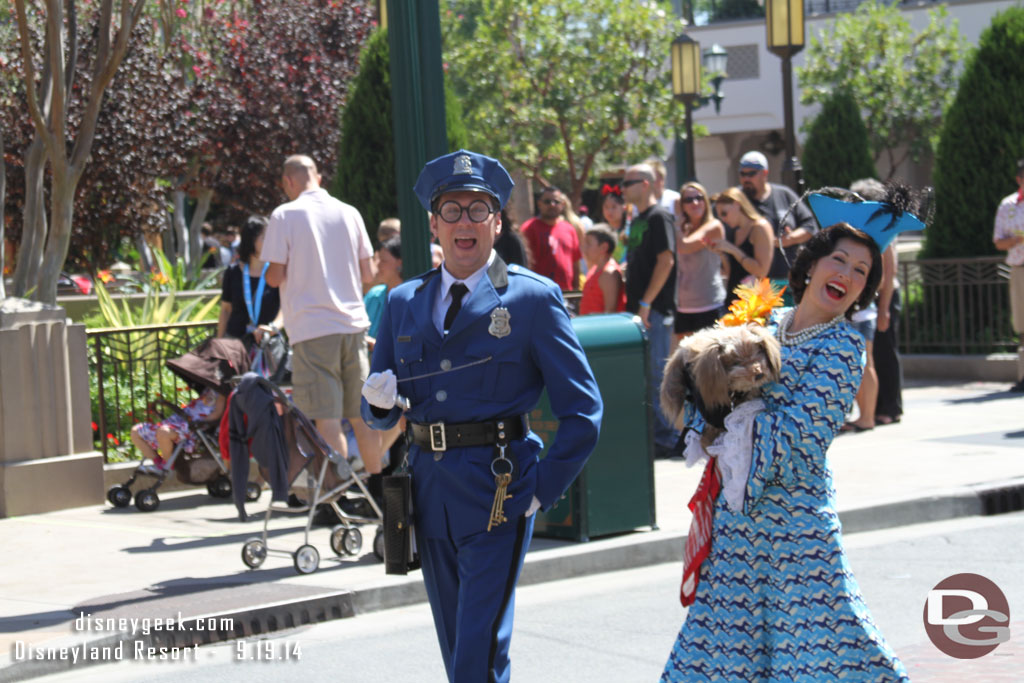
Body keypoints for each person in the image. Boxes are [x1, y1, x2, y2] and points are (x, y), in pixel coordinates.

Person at [661, 189, 923, 682]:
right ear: (811, 265)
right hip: (736, 532)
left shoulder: (843, 345)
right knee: (716, 657)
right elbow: (703, 413)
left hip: (797, 536)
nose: (846, 274)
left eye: (861, 271)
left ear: (863, 290)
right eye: (838, 259)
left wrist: (729, 408)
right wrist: (704, 397)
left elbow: (798, 435)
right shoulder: (761, 319)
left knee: (827, 655)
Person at [360, 149, 602, 683]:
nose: (463, 223)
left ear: (496, 222)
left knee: (477, 646)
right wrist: (376, 407)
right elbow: (378, 413)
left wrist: (541, 489)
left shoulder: (532, 299)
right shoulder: (403, 301)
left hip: (499, 488)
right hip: (428, 488)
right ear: (433, 223)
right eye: (451, 210)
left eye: (477, 210)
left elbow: (583, 410)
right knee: (457, 645)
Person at [260, 154, 385, 490]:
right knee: (361, 414)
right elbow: (369, 273)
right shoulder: (350, 212)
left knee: (327, 416)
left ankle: (338, 491)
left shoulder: (284, 215)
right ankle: (378, 489)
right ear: (318, 175)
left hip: (312, 329)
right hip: (354, 325)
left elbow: (273, 277)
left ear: (287, 181)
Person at [622, 162, 677, 457]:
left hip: (655, 309)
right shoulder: (637, 217)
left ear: (644, 184)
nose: (622, 189)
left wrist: (646, 303)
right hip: (640, 308)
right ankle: (657, 434)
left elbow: (666, 261)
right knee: (647, 374)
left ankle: (668, 438)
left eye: (626, 183)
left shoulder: (659, 217)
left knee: (658, 373)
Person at [737, 150, 817, 300]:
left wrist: (791, 239)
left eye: (751, 174)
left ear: (765, 173)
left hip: (787, 282)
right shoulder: (736, 200)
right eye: (742, 174)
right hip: (752, 285)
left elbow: (810, 226)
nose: (746, 179)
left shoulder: (784, 194)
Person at [672, 181, 726, 345]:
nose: (695, 203)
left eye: (699, 198)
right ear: (683, 205)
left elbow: (685, 246)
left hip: (709, 303)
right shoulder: (683, 229)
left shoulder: (713, 226)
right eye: (688, 200)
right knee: (687, 358)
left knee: (711, 356)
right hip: (684, 306)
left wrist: (676, 222)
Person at [217, 215, 283, 344]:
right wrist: (219, 341)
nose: (271, 242)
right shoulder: (233, 272)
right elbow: (225, 309)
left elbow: (286, 308)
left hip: (268, 345)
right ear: (251, 240)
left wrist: (273, 327)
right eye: (265, 237)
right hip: (235, 345)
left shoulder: (277, 271)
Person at [130, 388, 226, 472]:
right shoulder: (208, 388)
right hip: (176, 422)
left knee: (164, 432)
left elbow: (217, 414)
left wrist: (198, 423)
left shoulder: (221, 393)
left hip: (190, 429)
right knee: (135, 431)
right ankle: (158, 462)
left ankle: (167, 465)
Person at [709, 187, 773, 309]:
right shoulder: (734, 231)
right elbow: (731, 273)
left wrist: (733, 250)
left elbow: (761, 271)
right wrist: (722, 254)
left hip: (755, 305)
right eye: (719, 216)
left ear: (737, 204)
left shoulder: (760, 227)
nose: (723, 219)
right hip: (733, 302)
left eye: (724, 213)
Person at [992, 158, 1024, 392]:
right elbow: (998, 241)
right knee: (1022, 326)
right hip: (1020, 269)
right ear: (1019, 179)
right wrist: (1016, 239)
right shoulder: (1008, 205)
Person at [520, 186, 581, 291]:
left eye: (556, 202)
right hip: (538, 292)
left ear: (562, 205)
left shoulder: (569, 228)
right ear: (539, 204)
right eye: (547, 201)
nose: (552, 205)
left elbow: (575, 263)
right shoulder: (528, 228)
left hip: (566, 293)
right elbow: (523, 263)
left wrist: (576, 289)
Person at [364, 235, 402, 347]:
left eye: (383, 261)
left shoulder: (413, 296)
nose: (378, 265)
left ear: (400, 263)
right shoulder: (373, 295)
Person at [579, 224, 626, 315]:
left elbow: (610, 313)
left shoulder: (609, 274)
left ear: (604, 247)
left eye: (588, 244)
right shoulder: (594, 269)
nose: (584, 248)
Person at [599, 182, 628, 263]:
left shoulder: (630, 232)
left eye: (614, 207)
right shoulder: (600, 233)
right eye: (606, 207)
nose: (609, 211)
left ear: (623, 208)